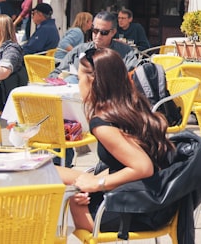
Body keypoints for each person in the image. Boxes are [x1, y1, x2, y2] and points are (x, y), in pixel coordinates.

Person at [57, 48, 176, 234]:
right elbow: (127, 163)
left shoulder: (103, 123)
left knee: (55, 197)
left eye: (79, 78)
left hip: (132, 210)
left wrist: (97, 184)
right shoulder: (131, 107)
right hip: (152, 200)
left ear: (92, 80)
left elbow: (143, 167)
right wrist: (93, 182)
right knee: (53, 172)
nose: (77, 85)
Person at [57, 11, 140, 75]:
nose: (98, 36)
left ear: (113, 32)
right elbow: (57, 72)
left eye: (104, 32)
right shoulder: (80, 49)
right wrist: (60, 78)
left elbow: (132, 76)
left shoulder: (125, 52)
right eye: (95, 31)